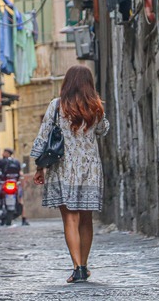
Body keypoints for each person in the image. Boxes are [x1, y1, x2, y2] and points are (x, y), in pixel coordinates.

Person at [32, 65, 109, 283]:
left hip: (64, 167)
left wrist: (39, 167)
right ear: (89, 84)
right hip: (90, 169)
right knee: (86, 218)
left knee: (70, 219)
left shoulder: (57, 106)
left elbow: (43, 136)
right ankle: (84, 265)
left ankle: (78, 268)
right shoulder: (96, 107)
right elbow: (103, 130)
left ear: (67, 83)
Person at [0, 148, 29, 225]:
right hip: (15, 183)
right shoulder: (16, 162)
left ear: (6, 153)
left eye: (4, 152)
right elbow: (20, 173)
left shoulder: (1, 161)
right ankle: (24, 218)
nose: (3, 153)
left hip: (5, 183)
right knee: (20, 199)